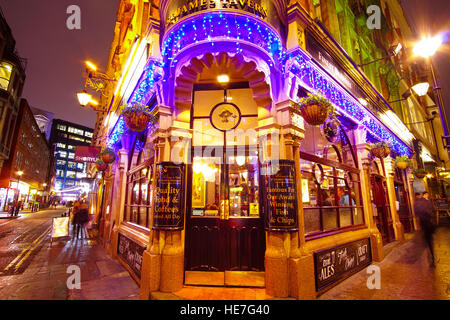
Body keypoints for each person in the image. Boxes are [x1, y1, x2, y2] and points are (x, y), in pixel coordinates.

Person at [414, 191, 436, 267]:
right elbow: (430, 211)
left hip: (425, 224)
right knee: (429, 239)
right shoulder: (425, 202)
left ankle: (431, 254)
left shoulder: (421, 202)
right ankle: (432, 255)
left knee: (428, 239)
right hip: (428, 223)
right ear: (425, 194)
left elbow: (417, 213)